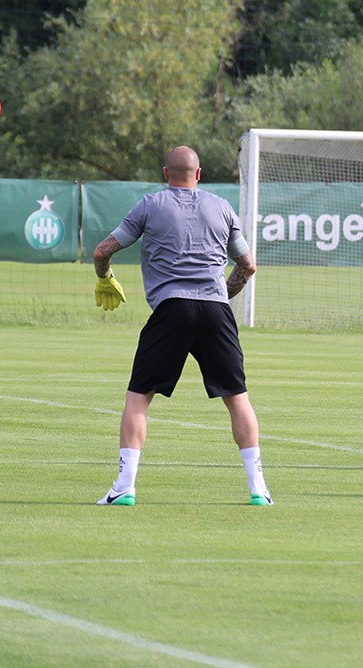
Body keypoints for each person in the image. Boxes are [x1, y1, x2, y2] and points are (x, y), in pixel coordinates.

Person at [90, 146, 271, 506]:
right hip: (217, 310)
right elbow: (248, 265)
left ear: (165, 173)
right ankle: (259, 490)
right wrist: (219, 295)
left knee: (139, 396)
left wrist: (104, 277)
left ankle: (124, 486)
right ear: (198, 174)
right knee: (237, 398)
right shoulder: (222, 207)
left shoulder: (149, 205)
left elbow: (102, 251)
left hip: (171, 309)